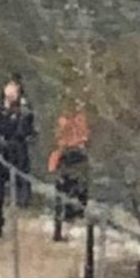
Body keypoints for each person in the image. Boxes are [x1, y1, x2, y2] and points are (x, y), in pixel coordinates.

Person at [49, 98, 90, 242]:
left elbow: (84, 137)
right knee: (63, 194)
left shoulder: (80, 119)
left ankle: (66, 226)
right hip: (66, 158)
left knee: (75, 193)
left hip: (74, 157)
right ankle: (60, 229)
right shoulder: (65, 120)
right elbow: (60, 138)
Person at [0, 75, 35, 207]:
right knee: (3, 170)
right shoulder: (1, 106)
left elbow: (27, 125)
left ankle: (22, 200)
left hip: (19, 143)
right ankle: (5, 197)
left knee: (21, 171)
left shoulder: (24, 108)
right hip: (4, 142)